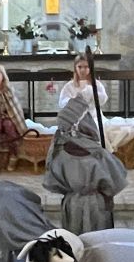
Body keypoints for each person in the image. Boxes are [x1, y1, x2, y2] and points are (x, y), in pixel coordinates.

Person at [43, 97, 128, 234]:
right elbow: (115, 180)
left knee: (75, 238)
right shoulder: (98, 154)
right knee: (98, 239)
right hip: (96, 205)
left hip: (72, 204)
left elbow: (53, 181)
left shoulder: (58, 152)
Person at [57, 55, 134, 153]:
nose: (82, 70)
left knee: (100, 130)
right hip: (77, 119)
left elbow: (103, 99)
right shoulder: (69, 86)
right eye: (80, 67)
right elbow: (63, 103)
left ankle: (104, 152)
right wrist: (76, 100)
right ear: (75, 68)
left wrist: (91, 92)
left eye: (86, 67)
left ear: (90, 68)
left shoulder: (96, 84)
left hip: (94, 116)